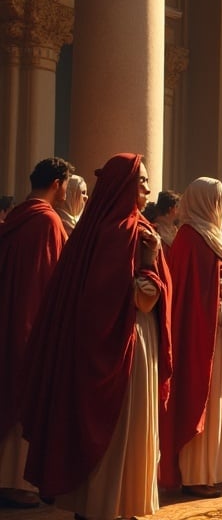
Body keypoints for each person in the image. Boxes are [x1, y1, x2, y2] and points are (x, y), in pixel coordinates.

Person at [22, 154, 171, 520]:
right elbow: (139, 297)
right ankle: (116, 505)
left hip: (112, 345)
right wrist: (150, 265)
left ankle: (97, 504)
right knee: (123, 426)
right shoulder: (127, 233)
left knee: (122, 429)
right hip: (126, 344)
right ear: (124, 186)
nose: (149, 190)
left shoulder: (92, 231)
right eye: (142, 182)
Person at [160, 177, 222, 498]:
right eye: (218, 198)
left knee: (219, 401)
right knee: (201, 398)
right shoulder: (188, 237)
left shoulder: (217, 238)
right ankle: (195, 473)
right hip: (199, 334)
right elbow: (185, 293)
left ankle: (213, 469)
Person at [0, 158, 71, 508]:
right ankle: (18, 482)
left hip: (9, 316)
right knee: (25, 398)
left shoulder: (15, 216)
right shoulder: (46, 221)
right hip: (32, 321)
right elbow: (53, 277)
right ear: (58, 183)